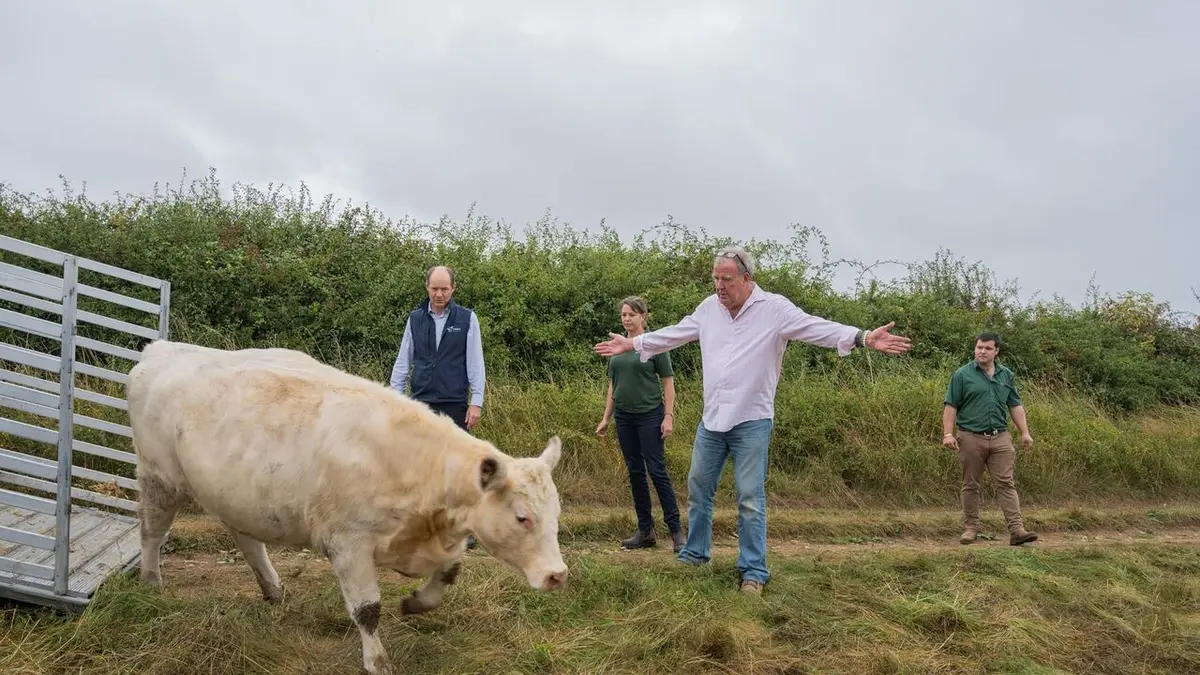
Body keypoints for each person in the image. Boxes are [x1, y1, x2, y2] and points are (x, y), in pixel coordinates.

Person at [593, 246, 912, 595]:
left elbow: (815, 327)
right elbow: (675, 333)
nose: (719, 286)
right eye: (716, 279)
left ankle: (753, 571)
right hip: (712, 420)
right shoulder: (708, 309)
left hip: (752, 420)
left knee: (749, 497)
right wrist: (633, 344)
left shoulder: (774, 309)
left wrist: (863, 337)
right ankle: (696, 555)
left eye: (727, 279)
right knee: (698, 488)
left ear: (746, 279)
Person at [390, 265, 486, 549]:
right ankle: (424, 526)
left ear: (453, 288)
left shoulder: (467, 318)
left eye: (445, 289)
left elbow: (475, 362)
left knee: (459, 466)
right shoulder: (415, 318)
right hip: (421, 401)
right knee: (421, 466)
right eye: (435, 288)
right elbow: (403, 361)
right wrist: (394, 399)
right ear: (427, 287)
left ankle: (463, 528)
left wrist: (476, 402)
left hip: (454, 402)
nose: (439, 294)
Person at [595, 296, 685, 554]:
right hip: (624, 417)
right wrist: (606, 418)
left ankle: (677, 532)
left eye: (631, 314)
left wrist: (668, 416)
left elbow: (668, 382)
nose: (626, 319)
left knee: (657, 471)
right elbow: (613, 385)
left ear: (643, 316)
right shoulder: (617, 347)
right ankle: (645, 531)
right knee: (635, 472)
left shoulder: (654, 344)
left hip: (649, 415)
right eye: (623, 314)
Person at [941, 332, 1038, 546]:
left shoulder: (1006, 375)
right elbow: (951, 405)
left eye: (987, 348)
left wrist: (1025, 432)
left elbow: (1014, 404)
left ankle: (1017, 530)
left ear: (996, 351)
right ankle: (971, 528)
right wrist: (948, 434)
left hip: (1000, 436)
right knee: (970, 484)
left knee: (1006, 483)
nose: (982, 351)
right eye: (979, 347)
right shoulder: (962, 375)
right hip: (970, 436)